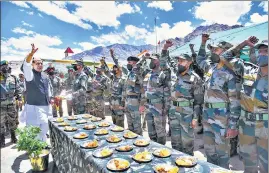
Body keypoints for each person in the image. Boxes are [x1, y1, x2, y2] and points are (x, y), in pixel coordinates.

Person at [222, 38, 268, 173]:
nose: (262, 54)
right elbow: (225, 57)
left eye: (266, 51)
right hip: (246, 124)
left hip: (266, 126)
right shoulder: (248, 69)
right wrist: (243, 43)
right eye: (260, 51)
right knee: (248, 163)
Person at [196, 35, 241, 168]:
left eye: (216, 49)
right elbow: (199, 59)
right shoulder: (210, 68)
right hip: (207, 116)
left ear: (225, 51)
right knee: (209, 150)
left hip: (221, 118)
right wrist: (203, 43)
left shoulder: (230, 73)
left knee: (222, 153)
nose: (213, 51)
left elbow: (235, 101)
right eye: (213, 49)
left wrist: (233, 126)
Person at [160, 41, 204, 155]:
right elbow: (163, 63)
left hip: (187, 114)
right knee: (175, 142)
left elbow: (199, 102)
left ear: (189, 62)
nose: (179, 63)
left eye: (182, 61)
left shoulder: (195, 78)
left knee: (187, 143)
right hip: (173, 112)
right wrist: (165, 48)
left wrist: (195, 118)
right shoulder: (174, 73)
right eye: (178, 60)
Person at [21, 44, 53, 142]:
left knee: (44, 128)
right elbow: (26, 65)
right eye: (37, 63)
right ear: (33, 64)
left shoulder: (45, 76)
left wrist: (51, 98)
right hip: (34, 107)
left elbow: (48, 89)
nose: (40, 65)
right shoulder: (30, 74)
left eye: (41, 63)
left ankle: (42, 146)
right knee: (34, 131)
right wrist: (31, 54)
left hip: (46, 106)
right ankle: (34, 150)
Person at [144, 53, 171, 145]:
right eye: (151, 59)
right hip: (148, 106)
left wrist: (166, 108)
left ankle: (162, 151)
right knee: (151, 130)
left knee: (160, 131)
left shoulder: (163, 74)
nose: (152, 61)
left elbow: (167, 92)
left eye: (154, 59)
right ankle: (153, 148)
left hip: (159, 107)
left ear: (159, 61)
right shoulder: (148, 74)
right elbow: (145, 89)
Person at [124, 54, 150, 135]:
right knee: (130, 125)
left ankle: (139, 144)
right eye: (127, 62)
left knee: (137, 126)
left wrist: (142, 104)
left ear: (135, 63)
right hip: (128, 101)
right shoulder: (129, 74)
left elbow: (143, 89)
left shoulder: (140, 73)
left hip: (136, 102)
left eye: (130, 62)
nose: (128, 63)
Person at [0, 60, 22, 147]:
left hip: (11, 104)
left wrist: (20, 98)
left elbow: (18, 89)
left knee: (13, 121)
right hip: (1, 105)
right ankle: (2, 139)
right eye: (3, 66)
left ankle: (13, 136)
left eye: (6, 66)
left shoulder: (13, 78)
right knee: (1, 123)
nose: (5, 67)